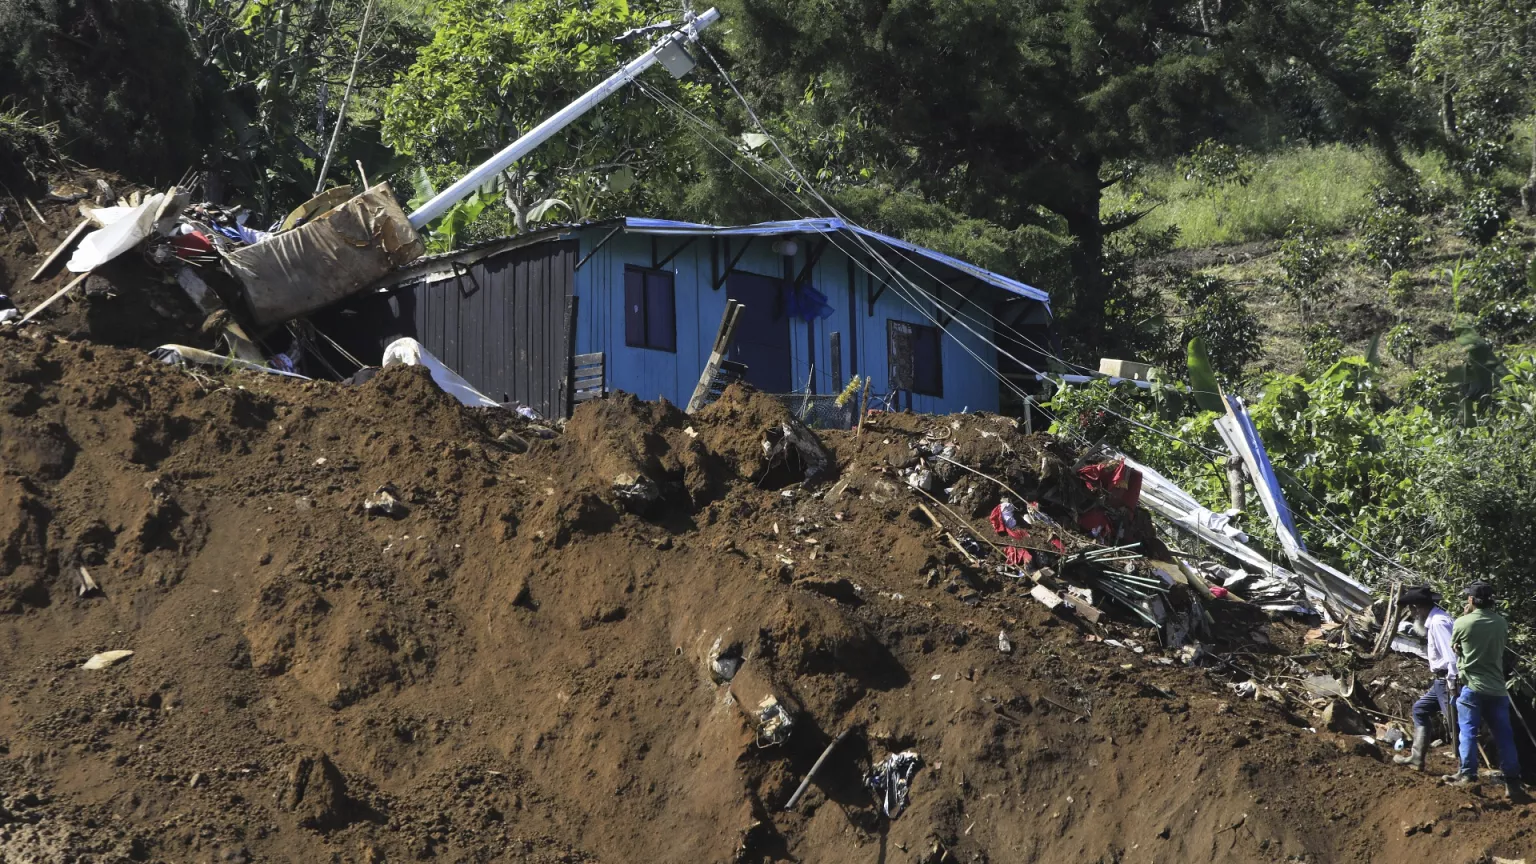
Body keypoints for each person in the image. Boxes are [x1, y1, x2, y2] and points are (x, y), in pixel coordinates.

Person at [1443, 581, 1528, 802]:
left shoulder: (1462, 622)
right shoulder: (1501, 623)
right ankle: (1513, 783)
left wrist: (1467, 616)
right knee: (1505, 736)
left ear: (1471, 600)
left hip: (1472, 686)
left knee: (1468, 731)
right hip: (1498, 689)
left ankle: (1468, 774)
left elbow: (1455, 648)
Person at [1393, 585, 1456, 771]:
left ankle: (1467, 767)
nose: (1412, 615)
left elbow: (1452, 657)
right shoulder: (1436, 620)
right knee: (1420, 709)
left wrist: (1452, 683)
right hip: (1440, 680)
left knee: (1455, 722)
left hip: (1447, 680)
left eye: (1412, 609)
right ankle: (1416, 757)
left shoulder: (1438, 623)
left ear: (1417, 607)